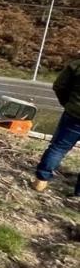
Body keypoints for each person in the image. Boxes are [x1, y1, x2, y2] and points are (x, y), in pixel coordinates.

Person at [33, 57, 80, 195]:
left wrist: (68, 104)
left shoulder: (77, 64)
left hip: (74, 114)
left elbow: (59, 86)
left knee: (58, 148)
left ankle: (41, 181)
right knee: (58, 148)